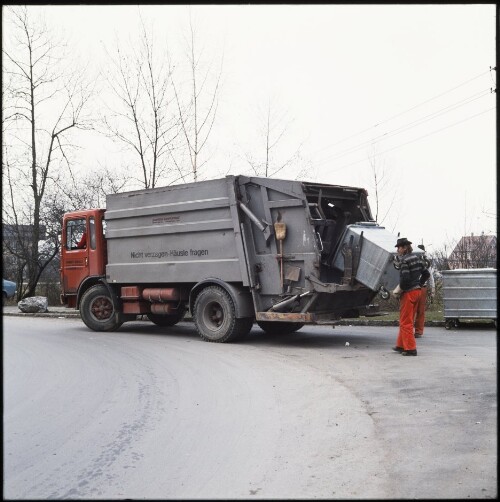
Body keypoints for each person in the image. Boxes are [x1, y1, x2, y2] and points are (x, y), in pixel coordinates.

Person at [392, 237, 430, 356]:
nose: (398, 250)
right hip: (418, 292)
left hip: (408, 293)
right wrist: (419, 283)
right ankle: (400, 345)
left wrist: (399, 290)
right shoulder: (417, 259)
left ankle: (410, 349)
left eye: (399, 247)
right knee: (406, 319)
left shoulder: (404, 261)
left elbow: (405, 279)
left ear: (404, 248)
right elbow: (427, 274)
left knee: (405, 322)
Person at [414, 244, 435, 338]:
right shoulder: (414, 261)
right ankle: (411, 330)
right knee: (414, 310)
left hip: (421, 287)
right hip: (415, 287)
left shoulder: (426, 263)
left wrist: (432, 290)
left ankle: (418, 331)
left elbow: (430, 277)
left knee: (420, 310)